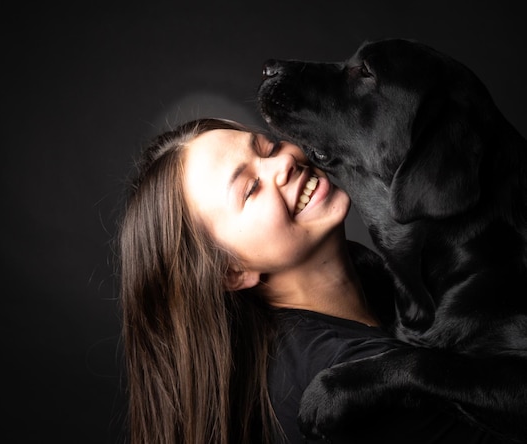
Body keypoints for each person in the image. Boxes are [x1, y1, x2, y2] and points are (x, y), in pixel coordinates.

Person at [118, 118, 505, 443]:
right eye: (250, 188)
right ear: (231, 271)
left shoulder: (376, 277)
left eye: (268, 149)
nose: (282, 164)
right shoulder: (347, 385)